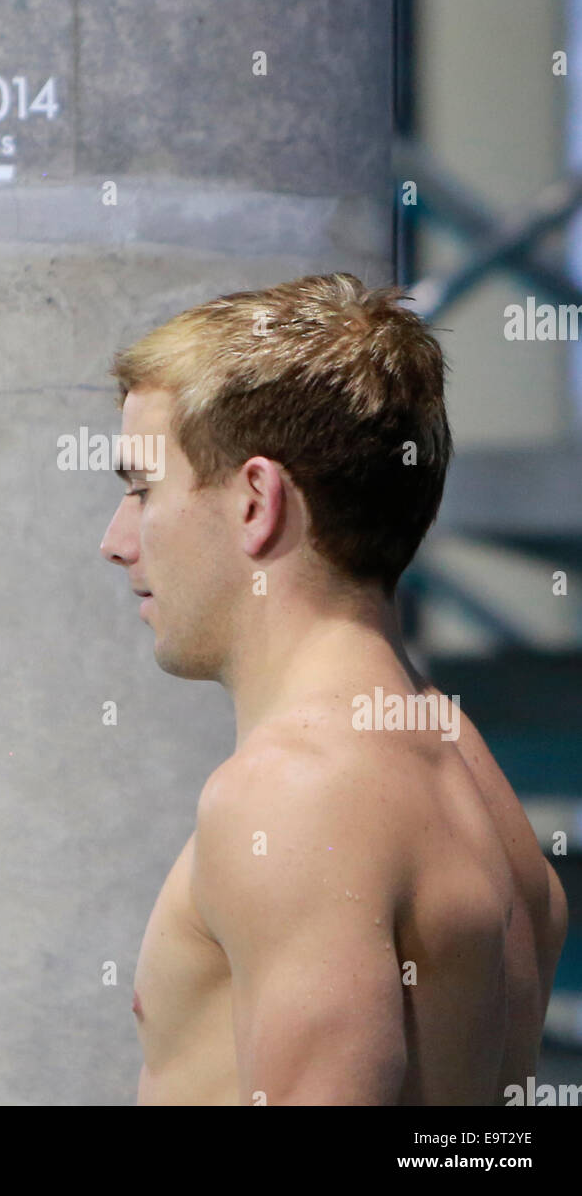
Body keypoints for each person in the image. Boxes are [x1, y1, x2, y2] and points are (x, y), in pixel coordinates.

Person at [99, 273, 568, 1106]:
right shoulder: (468, 774)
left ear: (254, 502)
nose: (117, 540)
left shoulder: (293, 795)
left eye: (142, 489)